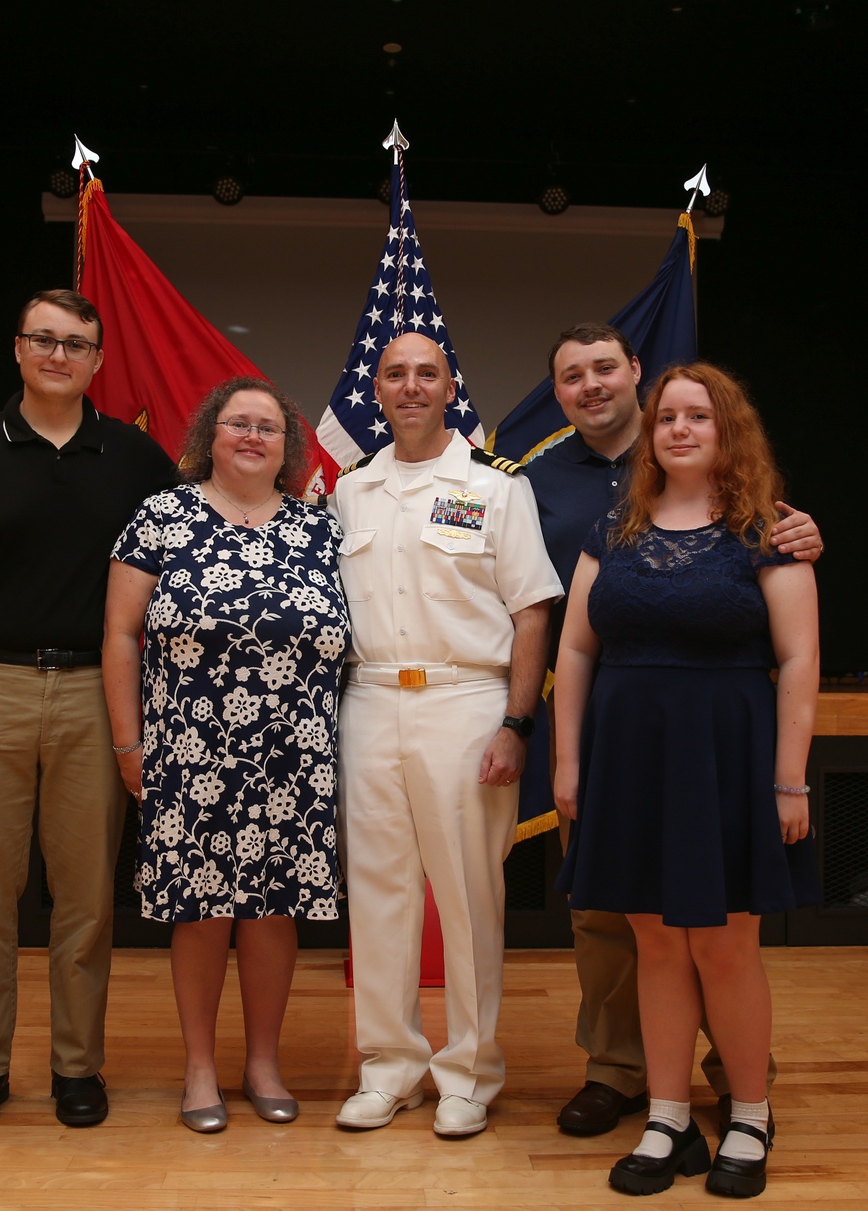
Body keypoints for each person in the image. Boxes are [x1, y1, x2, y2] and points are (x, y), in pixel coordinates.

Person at [523, 323, 823, 1138]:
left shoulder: (773, 528)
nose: (681, 429)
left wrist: (791, 779)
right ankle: (659, 1111)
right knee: (646, 940)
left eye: (698, 416)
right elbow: (574, 644)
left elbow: (799, 662)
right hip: (627, 756)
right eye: (670, 419)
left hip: (724, 756)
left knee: (724, 945)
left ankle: (748, 1108)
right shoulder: (589, 513)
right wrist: (567, 761)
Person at [0, 289, 175, 1133]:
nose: (60, 356)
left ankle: (75, 1066)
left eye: (77, 345)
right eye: (44, 340)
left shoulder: (134, 457)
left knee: (88, 896)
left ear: (98, 361)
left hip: (97, 693)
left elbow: (176, 574)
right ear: (18, 349)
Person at [330, 332, 562, 1137]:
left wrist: (516, 720)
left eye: (426, 372)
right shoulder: (352, 490)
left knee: (466, 895)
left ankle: (468, 1071)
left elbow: (533, 607)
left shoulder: (496, 487)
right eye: (395, 373)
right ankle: (389, 1067)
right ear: (378, 390)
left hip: (465, 701)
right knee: (380, 892)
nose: (411, 386)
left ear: (449, 385)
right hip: (368, 701)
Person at [102, 377, 349, 1133]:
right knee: (201, 911)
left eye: (267, 427)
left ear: (288, 447)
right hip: (190, 750)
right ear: (209, 434)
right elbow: (119, 634)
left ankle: (264, 1061)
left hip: (295, 756)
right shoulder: (162, 517)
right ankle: (201, 1065)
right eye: (237, 422)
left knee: (275, 913)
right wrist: (127, 740)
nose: (251, 435)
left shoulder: (320, 528)